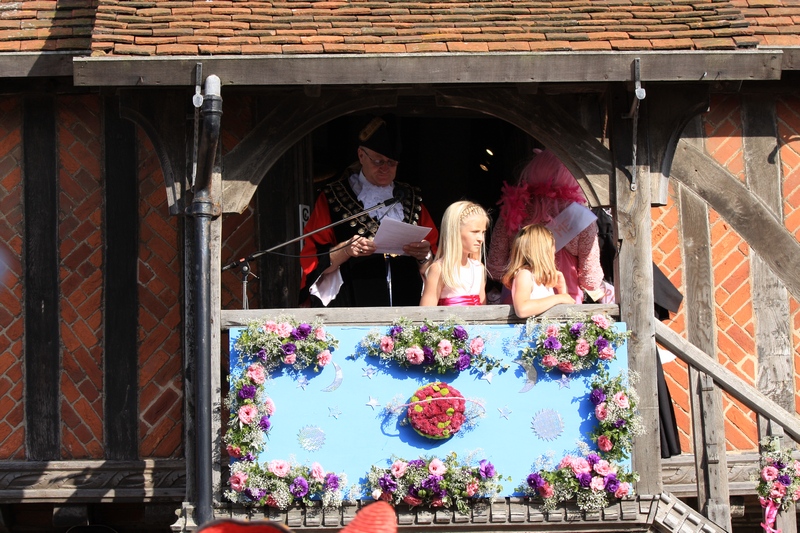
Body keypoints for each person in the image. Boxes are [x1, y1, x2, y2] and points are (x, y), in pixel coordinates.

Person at [300, 116, 438, 307]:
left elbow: (436, 259)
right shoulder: (333, 197)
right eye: (378, 161)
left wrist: (425, 256)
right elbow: (312, 259)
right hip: (353, 301)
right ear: (361, 155)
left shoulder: (411, 198)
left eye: (391, 163)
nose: (385, 168)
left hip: (407, 299)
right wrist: (345, 250)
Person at [487, 149, 605, 304]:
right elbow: (591, 280)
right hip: (565, 299)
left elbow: (495, 269)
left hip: (520, 300)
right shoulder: (580, 216)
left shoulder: (511, 210)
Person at [420, 201, 489, 306]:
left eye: (483, 232)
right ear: (455, 232)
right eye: (475, 232)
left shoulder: (478, 268)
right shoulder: (440, 269)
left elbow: (484, 309)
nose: (481, 239)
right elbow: (426, 312)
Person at [503, 224, 574, 318]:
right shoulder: (525, 275)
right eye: (552, 247)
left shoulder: (540, 279)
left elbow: (568, 308)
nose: (555, 251)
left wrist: (562, 290)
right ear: (543, 251)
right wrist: (558, 298)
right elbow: (522, 310)